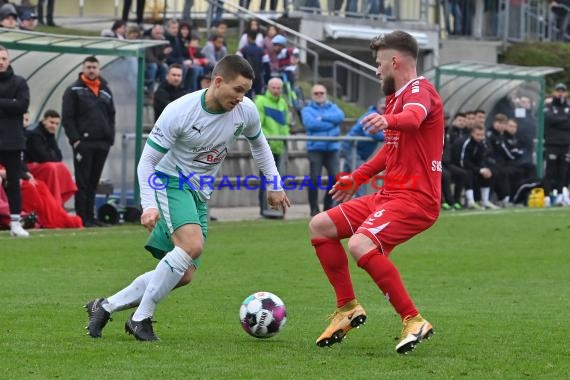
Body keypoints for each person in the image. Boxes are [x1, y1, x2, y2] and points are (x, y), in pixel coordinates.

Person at [84, 55, 291, 341]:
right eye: (237, 90)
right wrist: (148, 205)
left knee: (183, 274)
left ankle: (104, 306)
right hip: (170, 181)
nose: (242, 98)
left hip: (200, 191)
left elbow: (260, 146)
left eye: (246, 91)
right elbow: (147, 163)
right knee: (192, 245)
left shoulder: (246, 111)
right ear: (218, 82)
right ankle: (140, 319)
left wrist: (275, 184)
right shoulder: (179, 111)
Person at [308, 31, 443, 354]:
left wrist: (387, 119)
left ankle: (413, 319)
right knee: (320, 226)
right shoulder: (396, 99)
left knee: (360, 243)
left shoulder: (420, 91)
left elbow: (413, 119)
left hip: (416, 198)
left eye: (379, 63)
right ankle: (348, 308)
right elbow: (390, 151)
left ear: (395, 61)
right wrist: (356, 178)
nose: (377, 70)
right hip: (390, 195)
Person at [62, 56, 116, 228]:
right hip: (83, 143)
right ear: (83, 68)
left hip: (102, 143)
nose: (91, 70)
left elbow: (111, 115)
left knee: (94, 181)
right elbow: (67, 118)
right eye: (88, 67)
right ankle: (82, 217)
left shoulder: (105, 90)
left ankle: (91, 217)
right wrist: (75, 140)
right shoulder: (73, 90)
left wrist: (110, 138)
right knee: (83, 181)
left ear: (98, 69)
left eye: (94, 67)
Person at [0, 45, 30, 237]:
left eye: (3, 58)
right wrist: (9, 104)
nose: (0, 62)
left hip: (12, 140)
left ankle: (15, 223)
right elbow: (14, 105)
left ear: (9, 60)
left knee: (14, 181)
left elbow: (22, 105)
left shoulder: (19, 82)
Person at [301, 84, 344, 216]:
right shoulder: (307, 110)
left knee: (335, 178)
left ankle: (328, 207)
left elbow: (340, 117)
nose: (319, 95)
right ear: (312, 96)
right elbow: (310, 124)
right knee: (314, 179)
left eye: (322, 93)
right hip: (315, 148)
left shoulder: (334, 107)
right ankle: (314, 209)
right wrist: (332, 124)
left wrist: (323, 118)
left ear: (326, 94)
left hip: (332, 148)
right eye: (316, 93)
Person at [25, 109, 77, 206]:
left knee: (61, 166)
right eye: (51, 122)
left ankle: (58, 201)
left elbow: (58, 157)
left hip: (40, 164)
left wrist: (51, 153)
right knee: (52, 167)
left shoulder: (49, 133)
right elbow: (43, 157)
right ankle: (54, 201)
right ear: (44, 120)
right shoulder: (35, 134)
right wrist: (51, 154)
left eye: (57, 124)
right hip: (27, 166)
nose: (54, 126)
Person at [255, 77, 290, 218]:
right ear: (268, 88)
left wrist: (285, 137)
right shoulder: (261, 101)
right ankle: (265, 209)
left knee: (277, 181)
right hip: (266, 147)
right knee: (266, 180)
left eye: (278, 88)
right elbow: (258, 125)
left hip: (280, 146)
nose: (276, 90)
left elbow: (285, 124)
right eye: (273, 87)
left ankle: (276, 209)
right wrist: (266, 141)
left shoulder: (283, 102)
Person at [340, 98, 385, 198]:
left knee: (346, 179)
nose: (385, 110)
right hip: (351, 146)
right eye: (383, 108)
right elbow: (370, 131)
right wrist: (390, 135)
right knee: (361, 173)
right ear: (377, 106)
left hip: (359, 150)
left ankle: (335, 205)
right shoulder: (371, 115)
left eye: (387, 108)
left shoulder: (382, 118)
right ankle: (361, 200)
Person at [544, 82, 570, 205]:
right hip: (552, 143)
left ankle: (560, 195)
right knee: (550, 170)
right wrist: (563, 120)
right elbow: (549, 120)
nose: (560, 93)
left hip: (565, 144)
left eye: (562, 91)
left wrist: (559, 121)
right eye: (558, 90)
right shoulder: (548, 106)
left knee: (562, 171)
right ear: (554, 92)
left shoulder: (568, 106)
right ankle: (547, 195)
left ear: (566, 93)